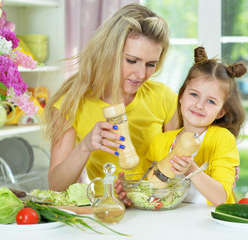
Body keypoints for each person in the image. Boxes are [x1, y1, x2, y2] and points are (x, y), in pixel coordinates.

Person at [43, 4, 179, 192]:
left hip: (155, 207)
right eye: (131, 60)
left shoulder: (164, 97)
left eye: (151, 64)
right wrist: (85, 146)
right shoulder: (71, 102)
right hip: (106, 211)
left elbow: (180, 165)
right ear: (109, 52)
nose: (140, 74)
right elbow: (56, 186)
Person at [116, 46, 247, 206]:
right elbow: (146, 185)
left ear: (221, 112)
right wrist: (127, 191)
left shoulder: (222, 139)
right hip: (171, 222)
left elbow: (220, 198)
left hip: (211, 224)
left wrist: (192, 169)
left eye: (211, 101)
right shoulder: (161, 141)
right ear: (181, 96)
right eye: (194, 95)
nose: (199, 105)